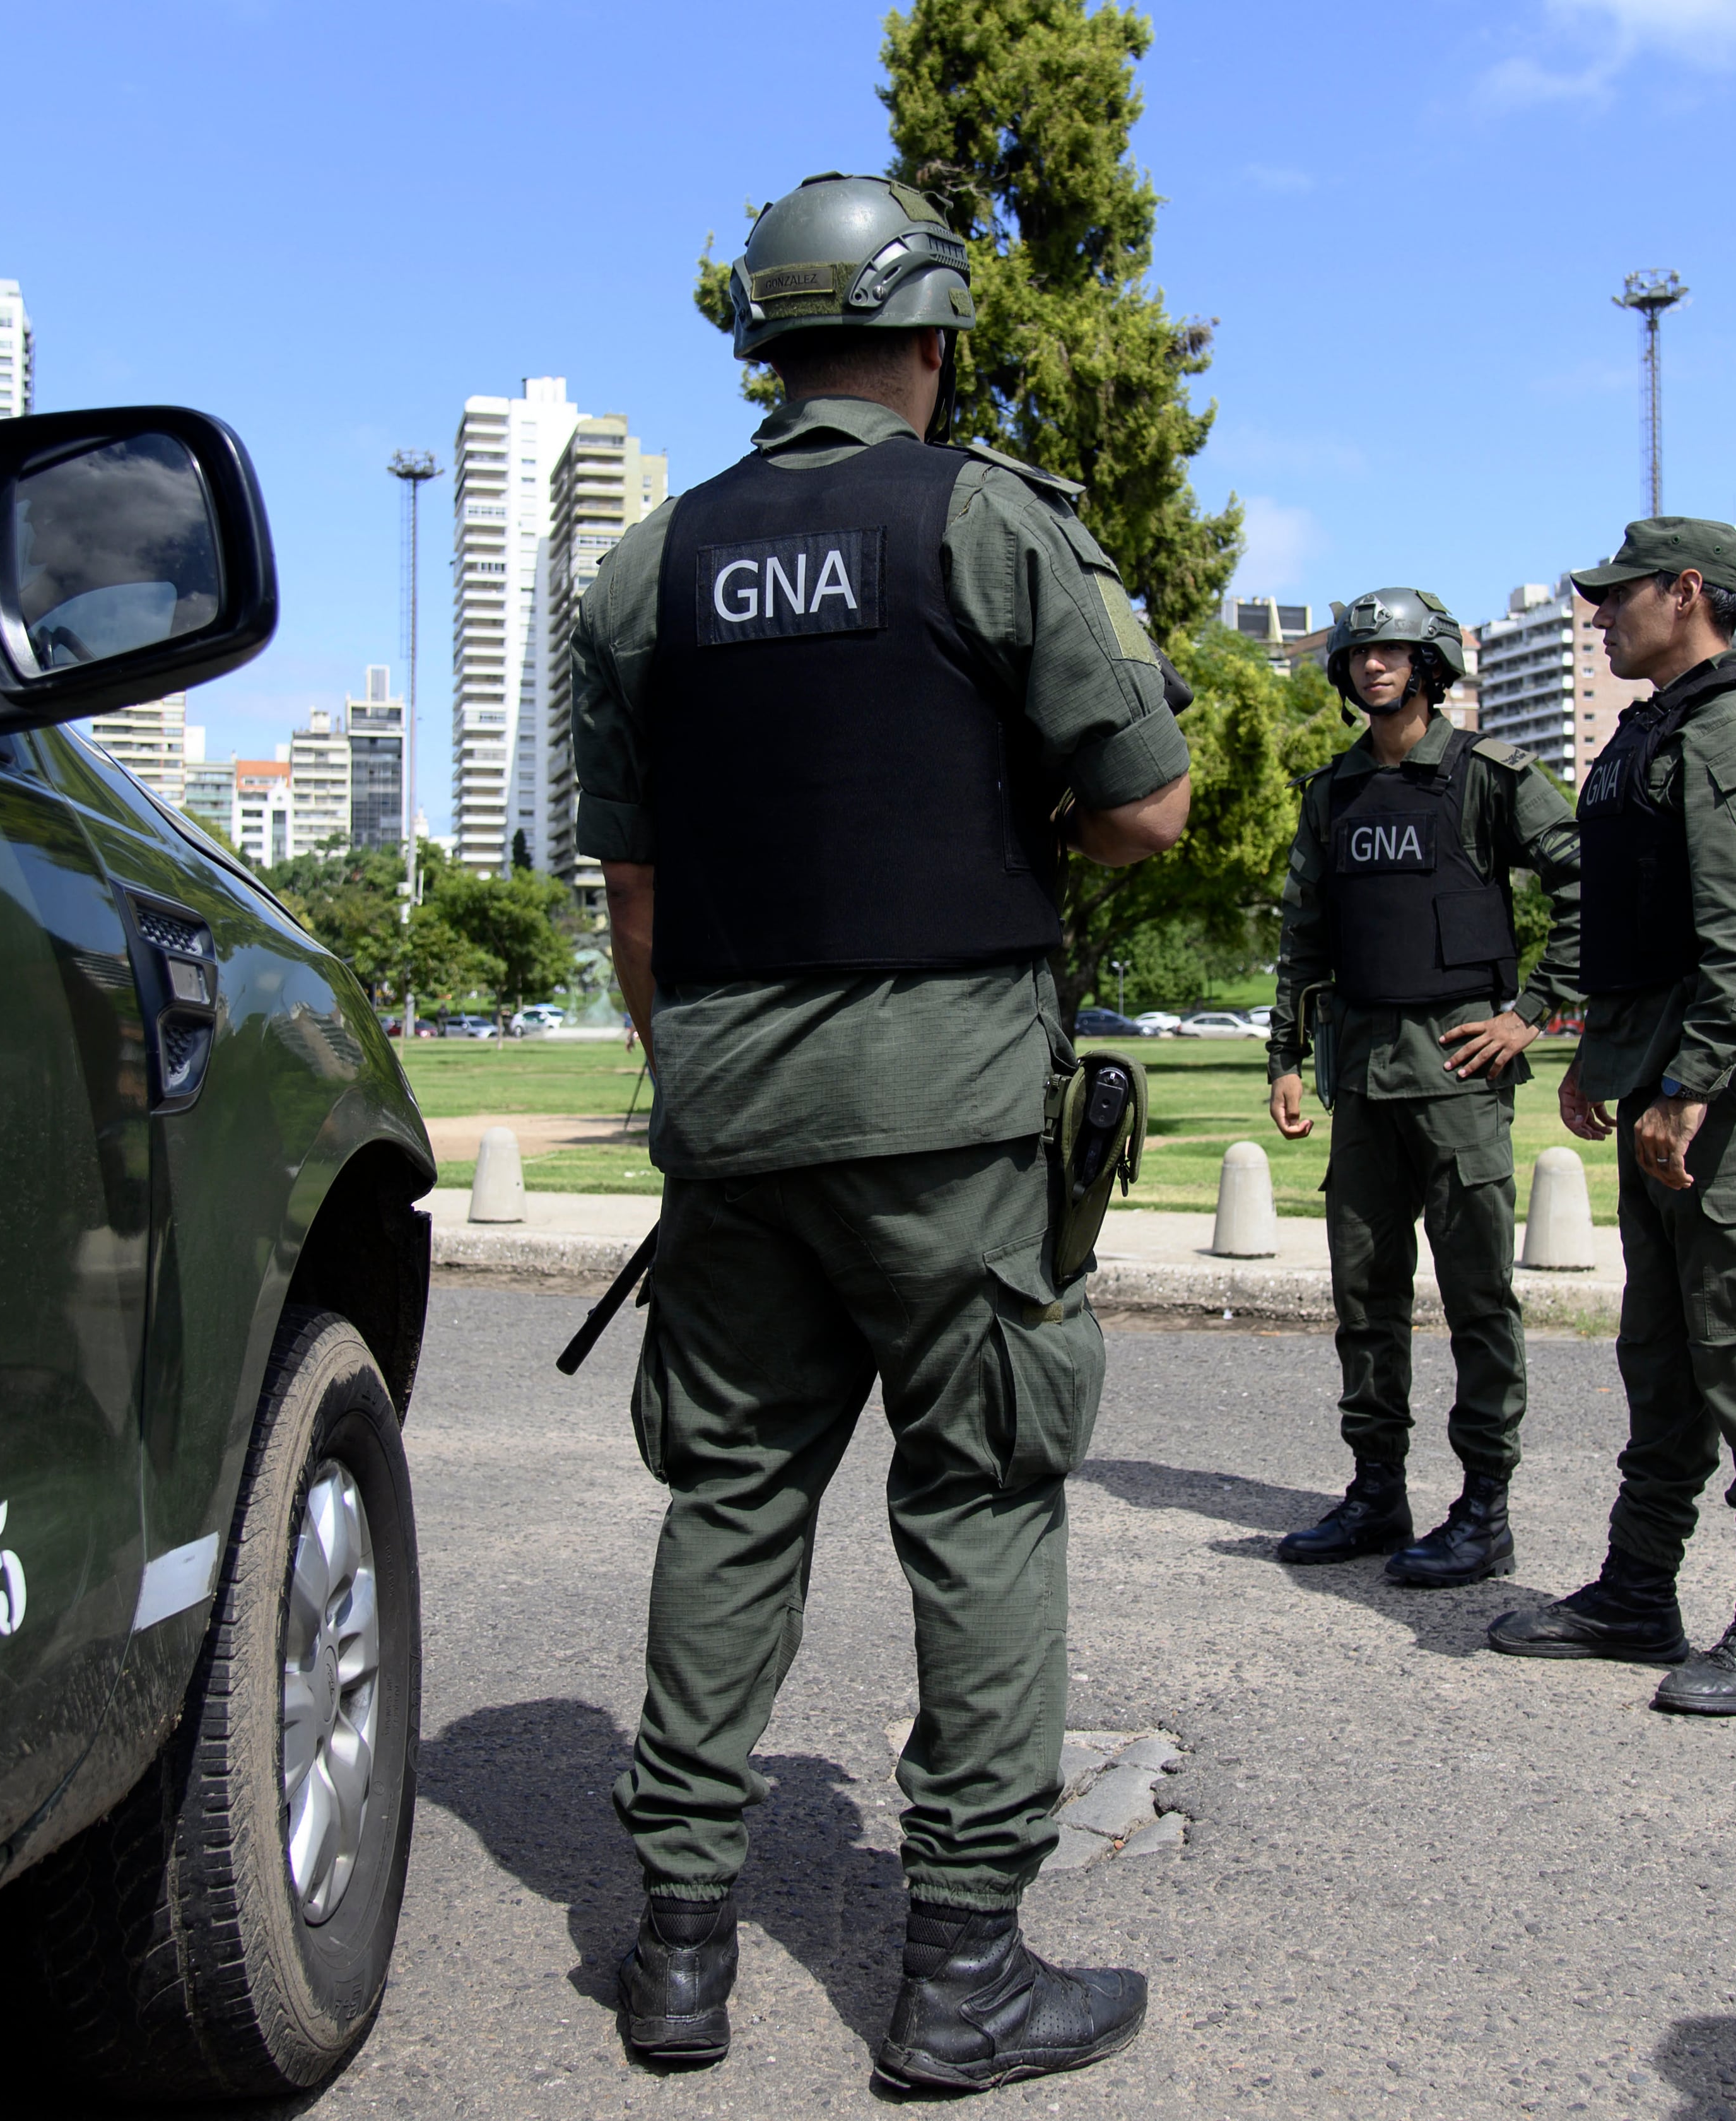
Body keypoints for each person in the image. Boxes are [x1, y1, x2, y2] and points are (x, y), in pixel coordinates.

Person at [569, 170, 1191, 2092]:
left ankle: (677, 1950)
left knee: (734, 1494)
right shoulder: (991, 520)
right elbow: (1149, 808)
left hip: (733, 1110)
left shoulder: (643, 567)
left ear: (770, 345)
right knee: (982, 1500)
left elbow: (638, 889)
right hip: (948, 1113)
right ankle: (961, 1974)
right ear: (930, 339)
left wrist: (703, 1087)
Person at [1485, 519, 1736, 1715]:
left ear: (1687, 593)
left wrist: (1689, 1084)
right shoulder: (1654, 730)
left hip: (1729, 1090)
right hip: (1661, 1066)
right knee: (1665, 1352)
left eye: (1618, 597)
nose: (1598, 616)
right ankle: (1639, 1589)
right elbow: (1641, 912)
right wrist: (1603, 1051)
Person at [1264, 589, 1583, 1584]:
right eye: (1359, 652)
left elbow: (1591, 887)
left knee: (1478, 1296)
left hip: (1458, 1073)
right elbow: (1304, 935)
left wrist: (1534, 1012)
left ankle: (1485, 1510)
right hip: (1360, 1075)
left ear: (1432, 664)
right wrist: (1282, 1055)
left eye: (1393, 651)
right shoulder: (1331, 793)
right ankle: (1375, 1493)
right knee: (1364, 1294)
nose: (1372, 665)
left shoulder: (1489, 777)